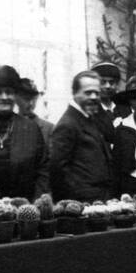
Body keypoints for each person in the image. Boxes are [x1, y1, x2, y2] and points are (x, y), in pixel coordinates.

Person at [0, 64, 49, 200]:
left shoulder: (31, 128)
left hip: (24, 209)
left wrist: (36, 204)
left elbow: (43, 170)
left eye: (9, 92)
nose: (4, 97)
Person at [48, 70, 114, 202]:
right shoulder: (67, 124)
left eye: (97, 93)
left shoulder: (89, 118)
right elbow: (58, 170)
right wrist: (75, 202)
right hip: (82, 202)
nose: (94, 97)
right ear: (75, 94)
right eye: (88, 92)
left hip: (99, 198)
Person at [17, 77, 54, 147]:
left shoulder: (48, 129)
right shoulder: (9, 126)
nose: (31, 103)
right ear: (16, 98)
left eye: (34, 99)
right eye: (26, 99)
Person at [91, 61, 127, 128]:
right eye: (102, 82)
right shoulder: (90, 110)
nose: (108, 86)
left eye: (111, 82)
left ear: (117, 84)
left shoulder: (124, 108)